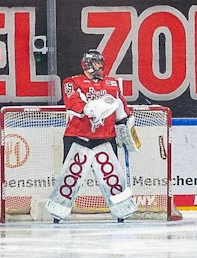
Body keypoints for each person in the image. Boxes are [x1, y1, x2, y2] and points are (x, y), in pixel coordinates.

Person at [47, 50, 135, 223]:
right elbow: (73, 104)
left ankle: (121, 210)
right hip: (78, 136)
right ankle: (59, 211)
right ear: (86, 64)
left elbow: (121, 108)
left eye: (101, 62)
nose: (100, 66)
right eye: (96, 63)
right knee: (71, 176)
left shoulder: (112, 82)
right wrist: (93, 109)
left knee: (112, 176)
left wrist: (125, 126)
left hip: (105, 137)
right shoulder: (72, 82)